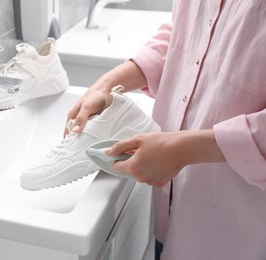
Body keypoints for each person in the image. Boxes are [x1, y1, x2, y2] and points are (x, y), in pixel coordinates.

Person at [64, 1, 266, 259]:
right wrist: (109, 83)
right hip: (174, 212)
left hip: (238, 232)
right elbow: (190, 35)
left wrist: (182, 150)